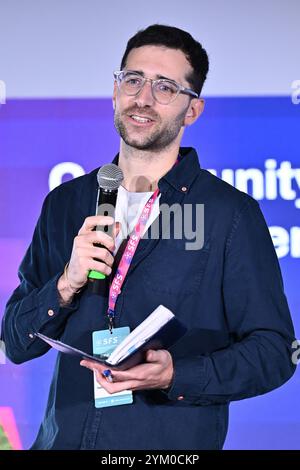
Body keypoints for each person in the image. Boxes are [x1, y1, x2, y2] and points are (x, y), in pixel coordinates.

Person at [1, 24, 296, 450]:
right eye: (134, 80)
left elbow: (273, 352)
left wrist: (178, 374)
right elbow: (14, 342)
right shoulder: (65, 203)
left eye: (165, 87)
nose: (143, 98)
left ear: (191, 110)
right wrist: (66, 283)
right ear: (116, 90)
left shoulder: (229, 215)